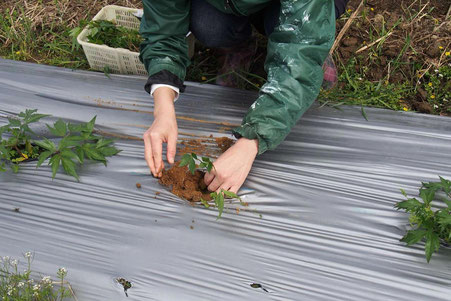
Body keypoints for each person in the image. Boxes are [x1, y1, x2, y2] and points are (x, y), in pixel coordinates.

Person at [139, 0, 349, 193]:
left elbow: (299, 66)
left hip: (307, 10)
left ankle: (317, 44)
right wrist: (163, 105)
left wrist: (251, 143)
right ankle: (237, 44)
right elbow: (162, 28)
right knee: (208, 24)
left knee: (298, 39)